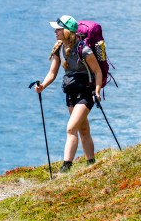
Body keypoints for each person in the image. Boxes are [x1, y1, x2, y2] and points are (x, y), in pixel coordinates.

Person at [33, 15, 103, 173]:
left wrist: (97, 92)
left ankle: (66, 167)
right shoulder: (59, 48)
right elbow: (53, 72)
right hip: (70, 92)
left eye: (58, 29)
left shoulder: (83, 49)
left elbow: (98, 72)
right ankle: (91, 163)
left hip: (86, 92)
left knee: (71, 129)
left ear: (66, 31)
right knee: (83, 129)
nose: (55, 32)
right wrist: (43, 85)